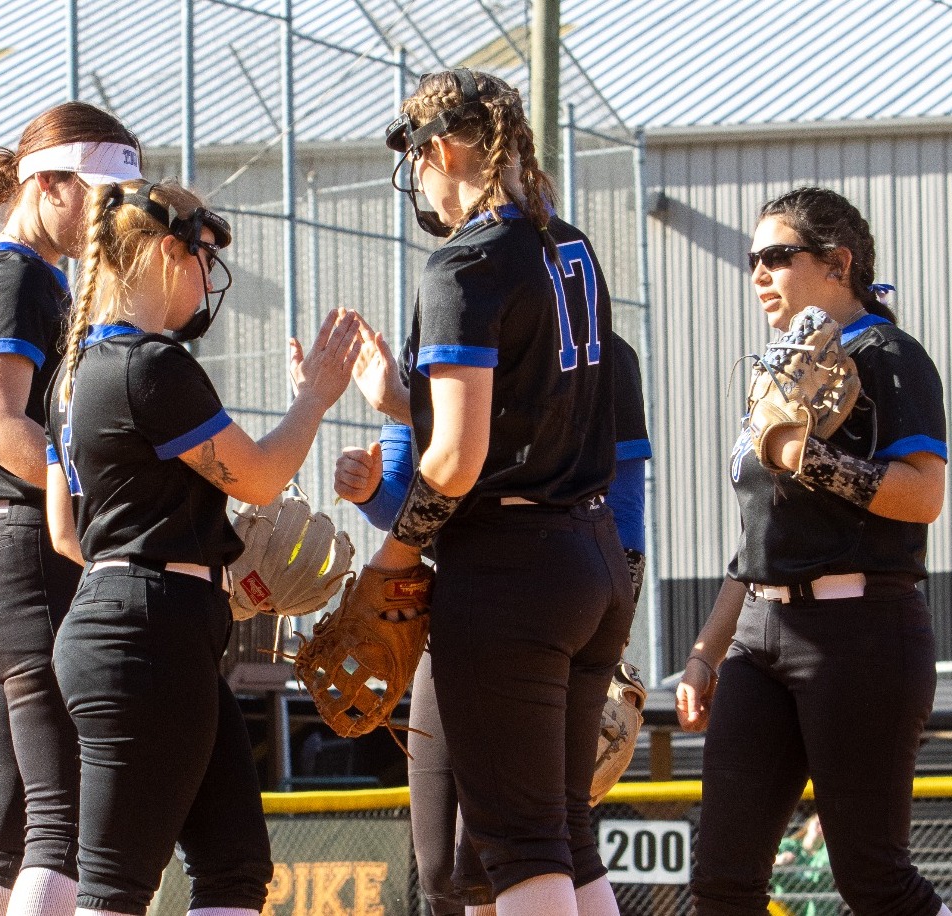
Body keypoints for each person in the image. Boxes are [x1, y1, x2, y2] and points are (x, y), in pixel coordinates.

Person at [351, 68, 635, 916]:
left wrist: (392, 555)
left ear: (441, 146)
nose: (419, 178)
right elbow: (526, 416)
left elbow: (457, 462)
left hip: (511, 573)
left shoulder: (464, 264)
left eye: (417, 155)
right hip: (592, 557)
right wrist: (402, 401)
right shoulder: (571, 246)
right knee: (562, 834)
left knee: (517, 844)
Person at [43, 178, 361, 916]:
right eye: (201, 255)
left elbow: (68, 533)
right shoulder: (148, 364)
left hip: (142, 622)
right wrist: (313, 396)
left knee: (234, 864)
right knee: (115, 887)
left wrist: (192, 564)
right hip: (147, 635)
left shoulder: (74, 373)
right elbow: (257, 479)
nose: (206, 277)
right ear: (163, 251)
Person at [675, 186, 952, 916]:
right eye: (752, 260)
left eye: (776, 256)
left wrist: (814, 461)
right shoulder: (780, 371)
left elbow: (925, 496)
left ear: (838, 262)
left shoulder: (891, 357)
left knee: (873, 882)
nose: (759, 273)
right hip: (759, 637)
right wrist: (707, 649)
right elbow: (759, 537)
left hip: (860, 631)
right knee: (722, 884)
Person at [335, 332, 650, 915]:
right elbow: (411, 503)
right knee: (442, 866)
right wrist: (374, 488)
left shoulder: (600, 345)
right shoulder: (440, 323)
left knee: (532, 843)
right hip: (461, 595)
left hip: (548, 587)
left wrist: (610, 638)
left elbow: (623, 505)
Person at [0, 101, 143, 916]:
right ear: (49, 184)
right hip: (23, 557)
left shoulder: (22, 273)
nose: (112, 218)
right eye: (101, 197)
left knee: (13, 826)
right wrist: (99, 507)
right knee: (60, 827)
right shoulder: (21, 273)